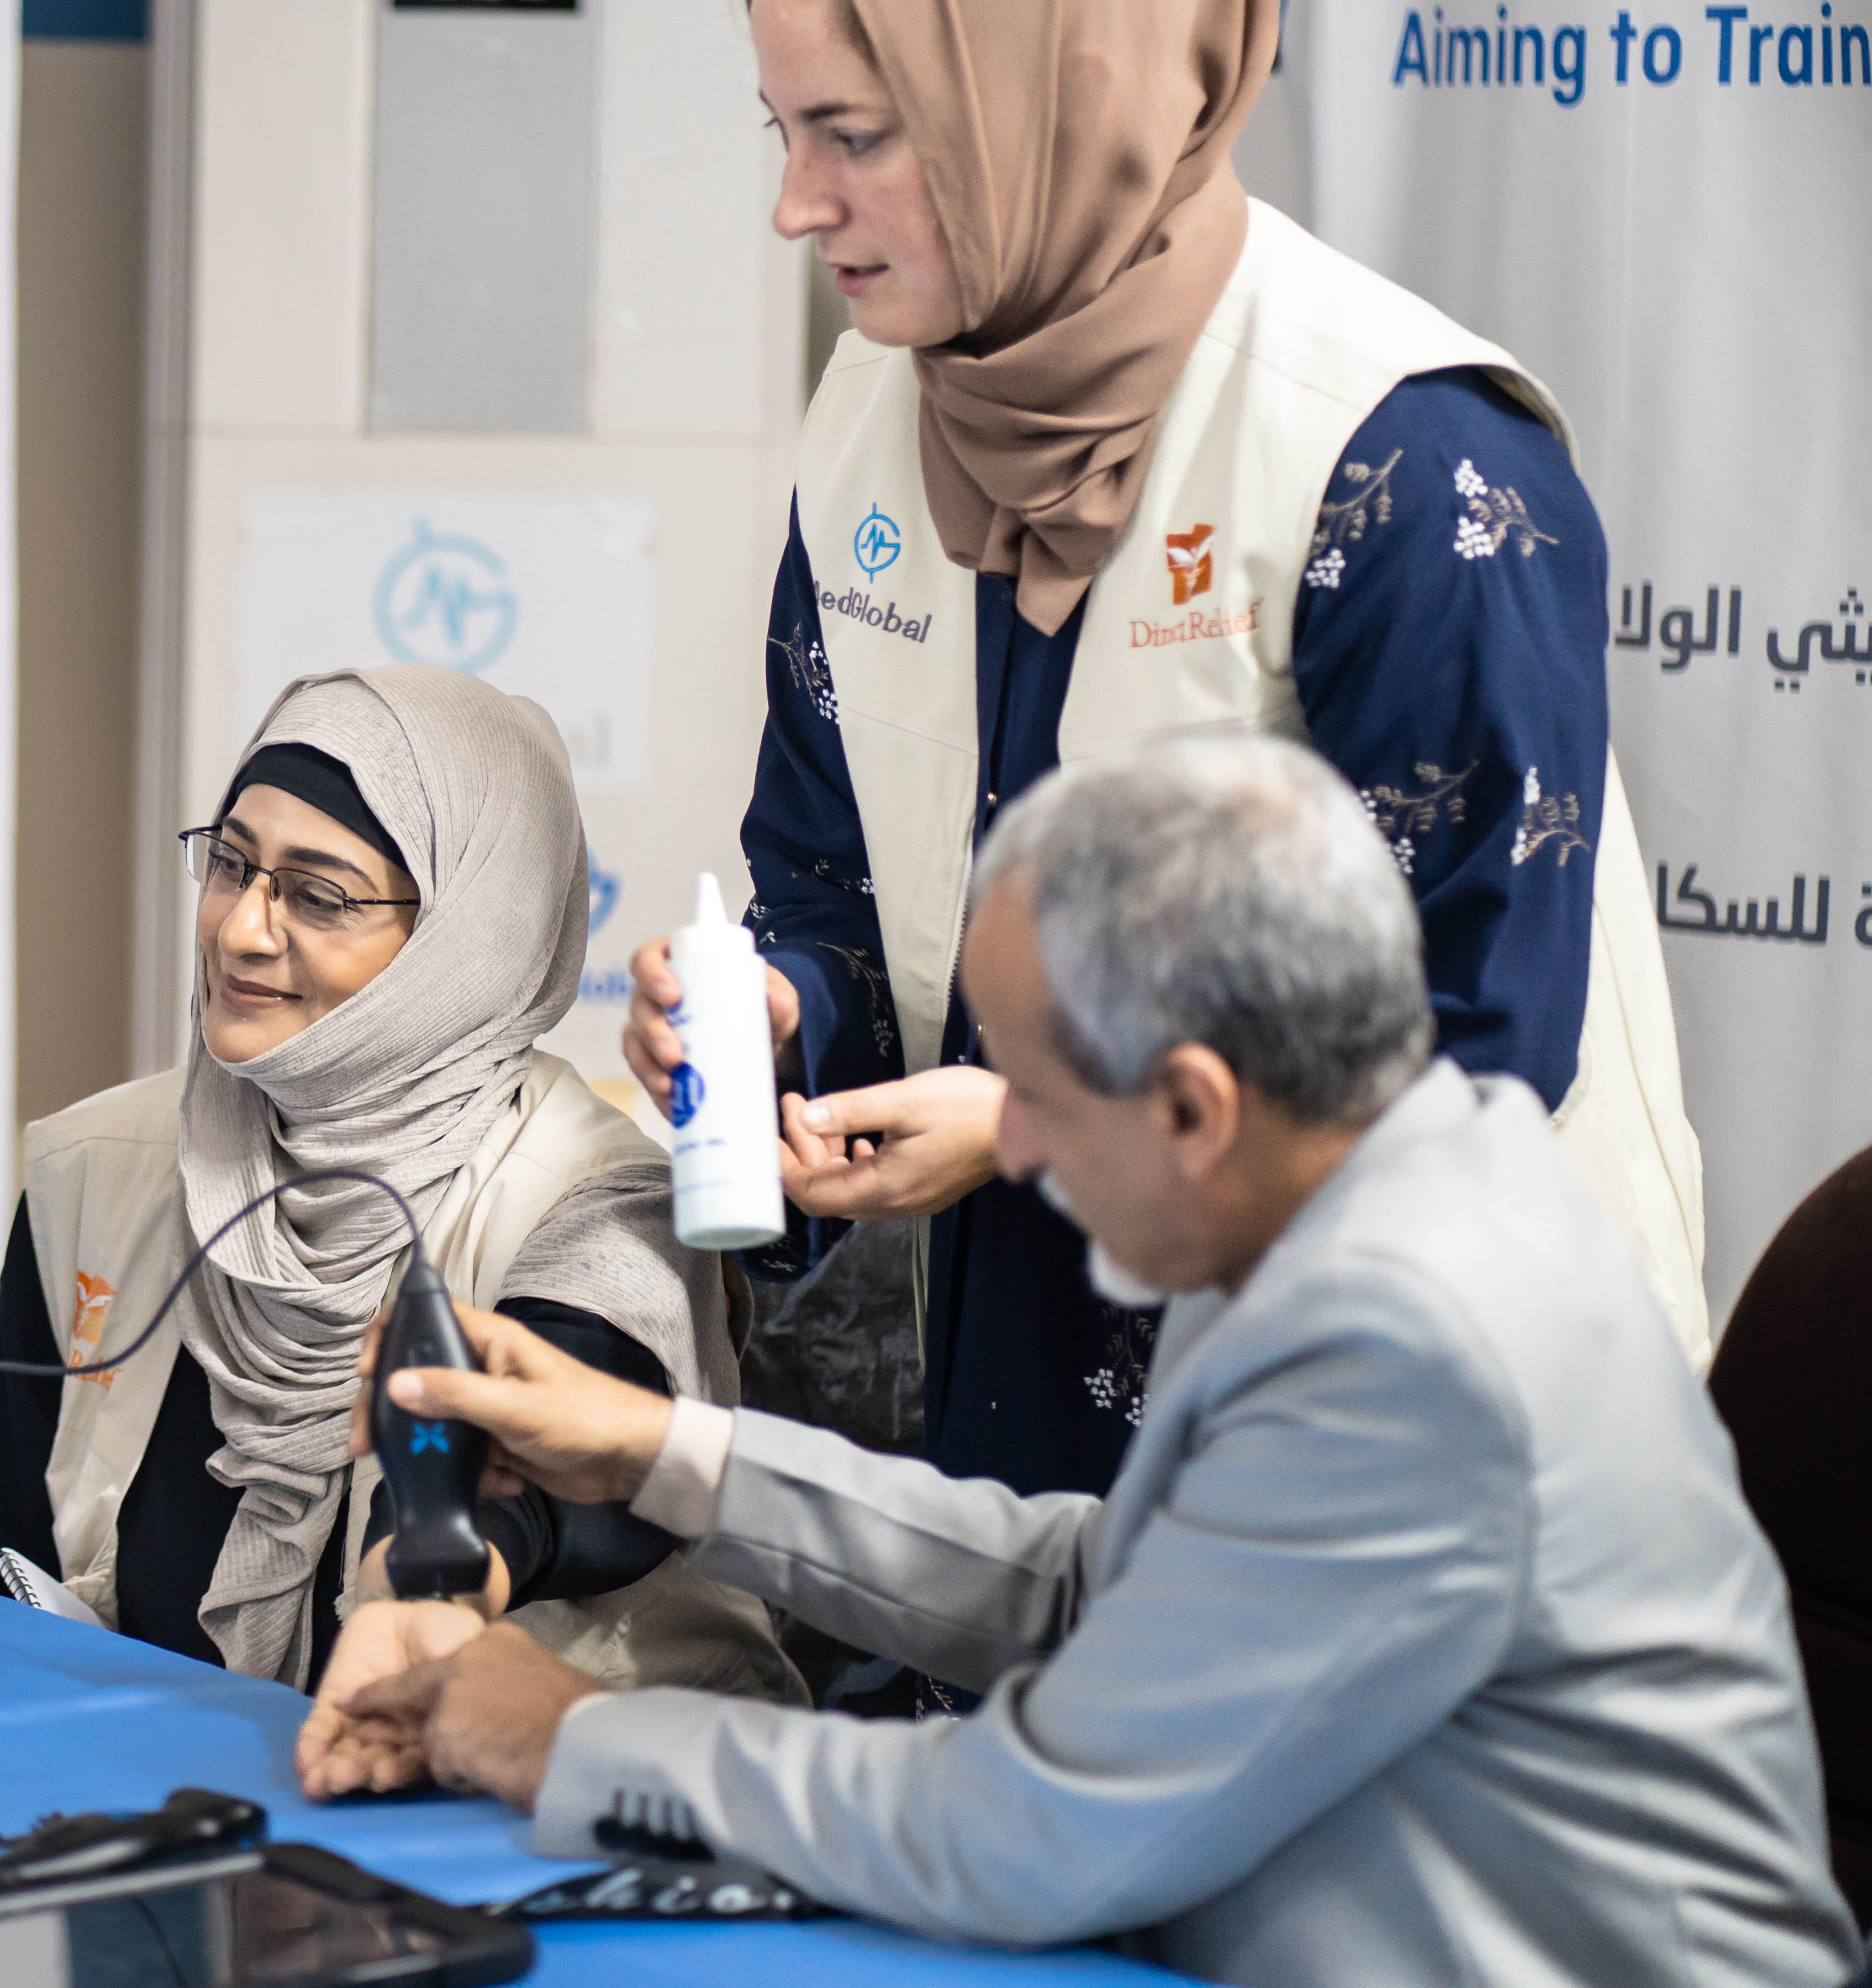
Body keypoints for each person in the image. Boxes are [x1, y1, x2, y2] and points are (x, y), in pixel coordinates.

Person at [299, 734, 1859, 1988]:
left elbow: (1025, 1831)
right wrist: (662, 1452)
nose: (1009, 1139)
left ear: (1192, 1106)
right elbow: (1115, 1590)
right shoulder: (1355, 1181)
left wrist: (557, 1729)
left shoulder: (1415, 1340)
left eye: (1030, 1089)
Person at [620, 0, 1706, 1525]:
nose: (796, 209)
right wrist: (778, 1009)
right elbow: (827, 880)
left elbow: (1468, 1056)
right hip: (1018, 1386)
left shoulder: (1413, 468)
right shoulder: (877, 411)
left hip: (1407, 1430)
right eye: (780, 130)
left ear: (1041, 102)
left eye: (855, 133)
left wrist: (1039, 1119)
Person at [0, 666, 787, 1701]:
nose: (240, 930)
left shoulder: (596, 1198)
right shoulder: (89, 1171)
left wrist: (442, 1568)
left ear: (464, 938)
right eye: (232, 866)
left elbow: (564, 1487)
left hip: (516, 1830)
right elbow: (18, 1565)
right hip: (156, 1812)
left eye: (319, 895)